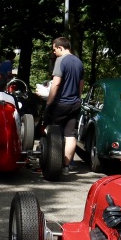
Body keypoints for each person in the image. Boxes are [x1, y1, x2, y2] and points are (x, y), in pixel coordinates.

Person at [43, 37, 84, 173]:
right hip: (75, 103)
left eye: (54, 49)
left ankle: (52, 162)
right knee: (70, 135)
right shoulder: (78, 62)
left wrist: (49, 103)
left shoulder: (61, 60)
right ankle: (66, 167)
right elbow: (81, 84)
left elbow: (56, 83)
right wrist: (78, 98)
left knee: (53, 132)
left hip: (60, 103)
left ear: (60, 47)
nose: (54, 52)